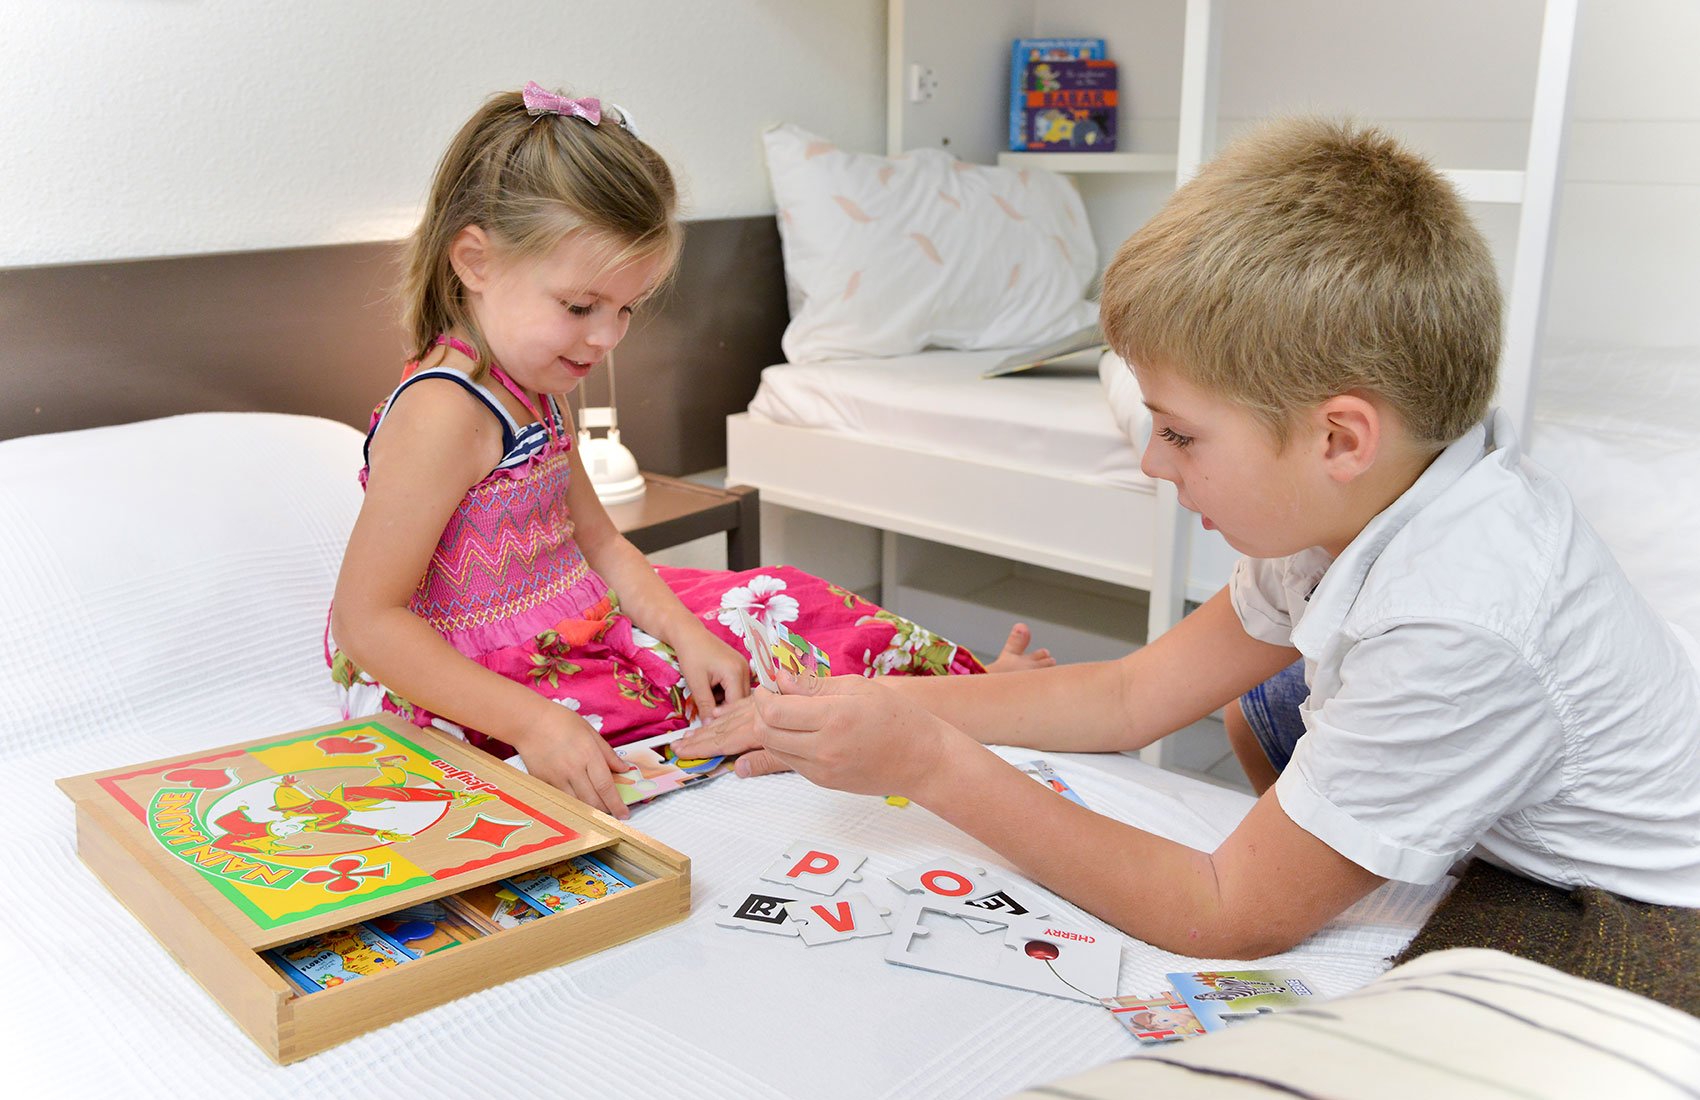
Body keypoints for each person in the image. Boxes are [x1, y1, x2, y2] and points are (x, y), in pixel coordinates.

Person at [675, 117, 1700, 957]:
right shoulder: (1362, 497)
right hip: (1518, 778)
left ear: (1337, 435)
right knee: (1265, 705)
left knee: (1425, 1017)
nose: (1153, 464)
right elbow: (1132, 694)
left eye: (1179, 433)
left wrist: (935, 762)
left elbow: (1223, 910)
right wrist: (873, 704)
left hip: (1639, 907)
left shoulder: (1459, 611)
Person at [329, 84, 1051, 821]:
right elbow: (366, 620)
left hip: (579, 622)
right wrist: (535, 724)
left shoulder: (533, 384)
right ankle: (950, 708)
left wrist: (686, 632)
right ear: (475, 261)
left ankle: (973, 693)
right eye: (580, 307)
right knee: (718, 716)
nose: (607, 338)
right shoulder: (443, 412)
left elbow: (601, 542)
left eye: (625, 310)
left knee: (777, 600)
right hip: (484, 681)